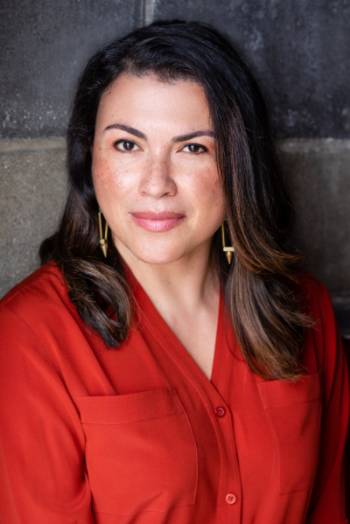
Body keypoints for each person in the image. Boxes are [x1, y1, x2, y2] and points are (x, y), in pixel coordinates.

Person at [0, 18, 348, 524]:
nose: (157, 183)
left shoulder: (304, 311)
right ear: (88, 161)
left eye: (193, 148)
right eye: (127, 145)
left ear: (237, 164)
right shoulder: (29, 338)